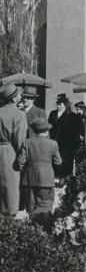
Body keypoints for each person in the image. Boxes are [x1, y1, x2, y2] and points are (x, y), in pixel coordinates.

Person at [18, 118, 62, 232]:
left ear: (34, 131)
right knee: (45, 205)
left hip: (29, 178)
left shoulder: (27, 142)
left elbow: (21, 162)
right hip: (46, 179)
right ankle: (44, 229)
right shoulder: (53, 143)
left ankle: (32, 231)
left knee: (31, 206)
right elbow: (58, 162)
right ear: (46, 131)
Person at [0, 83, 28, 217]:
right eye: (18, 94)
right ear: (13, 98)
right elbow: (20, 141)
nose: (20, 95)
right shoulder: (19, 114)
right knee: (10, 188)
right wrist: (22, 159)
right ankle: (8, 221)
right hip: (10, 151)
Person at [48, 94, 81, 181]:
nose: (58, 106)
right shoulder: (53, 114)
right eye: (57, 104)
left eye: (60, 104)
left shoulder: (72, 116)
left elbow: (75, 132)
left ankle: (64, 179)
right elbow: (49, 126)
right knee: (55, 160)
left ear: (65, 105)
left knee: (65, 161)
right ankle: (56, 178)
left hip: (66, 144)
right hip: (54, 141)